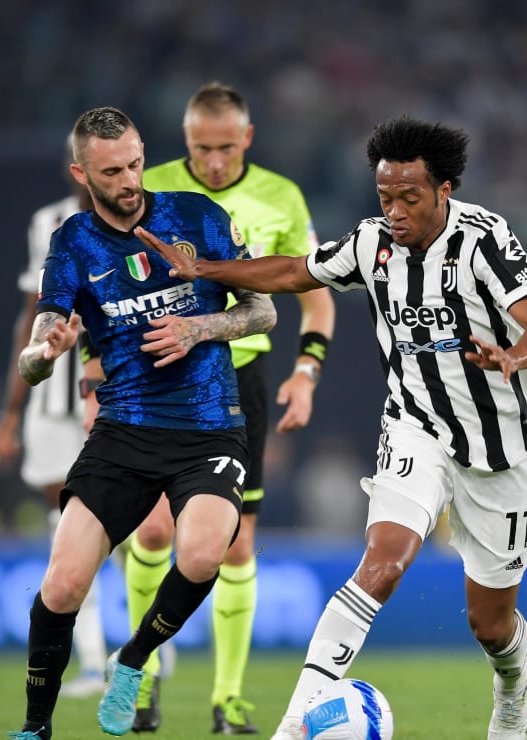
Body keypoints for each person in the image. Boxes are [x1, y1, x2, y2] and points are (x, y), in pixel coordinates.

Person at [140, 115, 527, 740]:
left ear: (444, 190)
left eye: (409, 197)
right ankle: (293, 726)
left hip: (499, 448)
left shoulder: (484, 239)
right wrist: (206, 270)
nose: (395, 210)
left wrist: (513, 356)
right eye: (385, 196)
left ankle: (513, 681)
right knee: (382, 564)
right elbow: (294, 272)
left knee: (491, 625)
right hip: (416, 425)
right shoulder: (372, 243)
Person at [7, 106, 277, 740]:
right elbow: (34, 358)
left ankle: (132, 659)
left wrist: (199, 328)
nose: (129, 181)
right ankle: (35, 726)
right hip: (124, 429)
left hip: (208, 424)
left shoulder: (197, 216)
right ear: (82, 173)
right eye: (112, 172)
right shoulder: (72, 241)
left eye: (134, 165)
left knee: (204, 552)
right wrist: (46, 352)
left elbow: (262, 311)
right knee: (63, 584)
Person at [126, 80, 337, 734]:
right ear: (185, 141)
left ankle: (228, 698)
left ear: (246, 138)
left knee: (237, 542)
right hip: (161, 374)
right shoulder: (150, 188)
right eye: (201, 149)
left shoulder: (281, 196)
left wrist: (306, 372)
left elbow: (317, 296)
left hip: (241, 380)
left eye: (226, 148)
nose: (214, 162)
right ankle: (142, 680)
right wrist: (94, 373)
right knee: (153, 530)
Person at [0, 149, 108, 699]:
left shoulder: (144, 218)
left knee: (129, 526)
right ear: (74, 169)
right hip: (52, 403)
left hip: (117, 394)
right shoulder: (47, 223)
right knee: (69, 525)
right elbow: (30, 316)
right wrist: (12, 409)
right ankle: (93, 658)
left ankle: (142, 652)